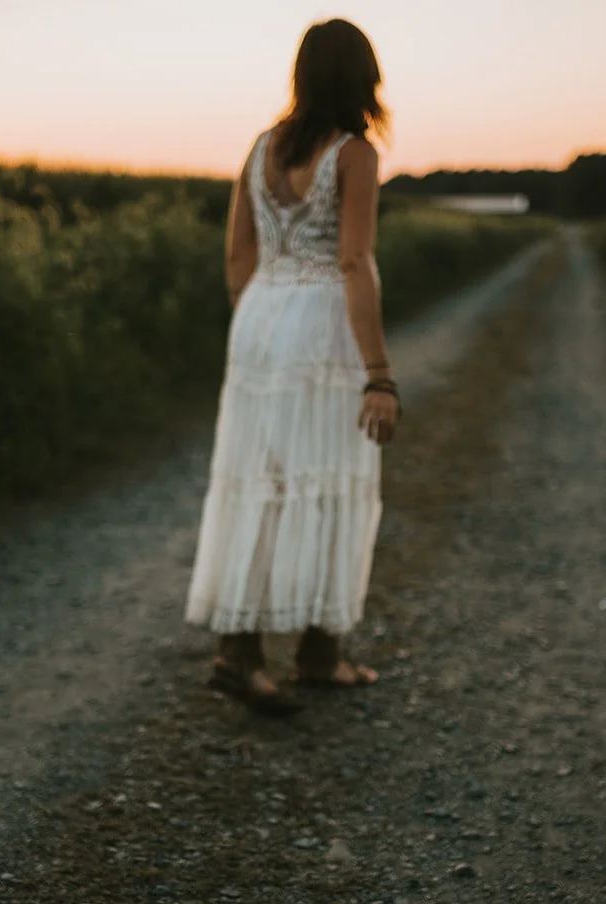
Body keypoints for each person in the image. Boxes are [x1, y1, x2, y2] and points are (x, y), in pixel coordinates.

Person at [183, 18, 401, 713]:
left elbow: (236, 256)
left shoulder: (260, 147)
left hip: (259, 321)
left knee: (260, 477)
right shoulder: (354, 154)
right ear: (362, 79)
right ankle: (317, 653)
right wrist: (378, 373)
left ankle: (242, 652)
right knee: (327, 477)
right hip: (322, 326)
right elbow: (353, 261)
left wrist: (260, 316)